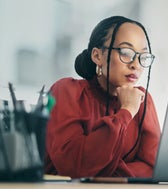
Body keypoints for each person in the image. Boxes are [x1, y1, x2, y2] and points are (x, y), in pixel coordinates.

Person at [44, 16, 161, 178]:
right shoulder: (66, 91)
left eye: (142, 56)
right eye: (126, 53)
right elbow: (73, 166)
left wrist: (102, 174)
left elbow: (153, 167)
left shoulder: (143, 100)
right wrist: (126, 111)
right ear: (97, 56)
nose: (136, 65)